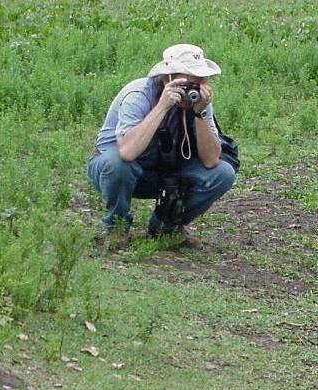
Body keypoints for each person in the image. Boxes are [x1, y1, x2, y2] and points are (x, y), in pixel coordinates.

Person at [87, 44, 236, 247]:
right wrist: (162, 107)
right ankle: (116, 226)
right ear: (169, 79)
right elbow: (127, 152)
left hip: (168, 172)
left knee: (223, 173)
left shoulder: (200, 101)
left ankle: (167, 226)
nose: (197, 87)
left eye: (202, 80)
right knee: (117, 163)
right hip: (122, 172)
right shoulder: (139, 94)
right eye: (191, 81)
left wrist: (198, 114)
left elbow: (211, 161)